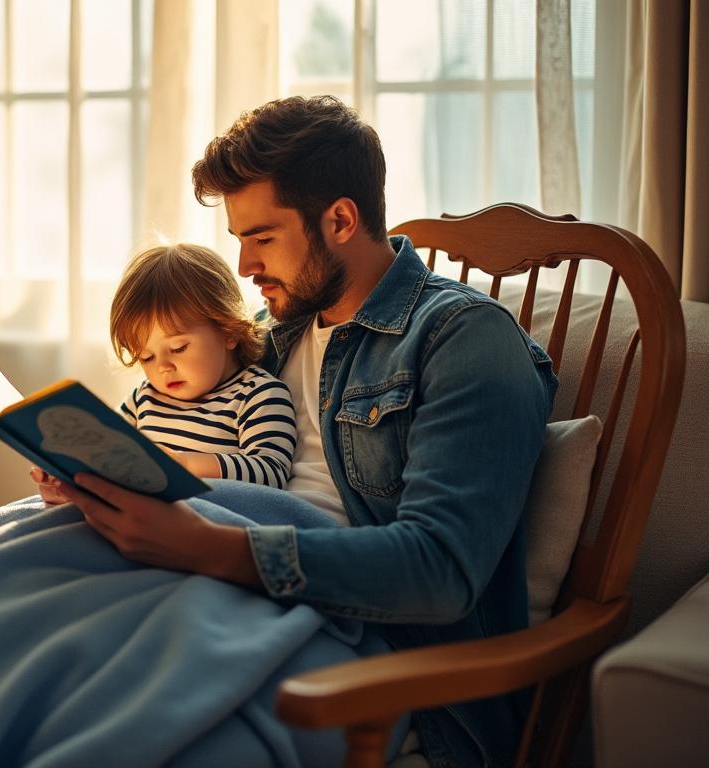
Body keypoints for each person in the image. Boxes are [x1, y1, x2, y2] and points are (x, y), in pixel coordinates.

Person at [45, 95, 558, 767]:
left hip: (373, 653)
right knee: (13, 595)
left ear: (340, 219)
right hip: (218, 593)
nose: (243, 266)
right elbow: (177, 431)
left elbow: (439, 572)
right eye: (238, 240)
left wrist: (206, 546)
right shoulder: (264, 339)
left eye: (261, 239)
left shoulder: (464, 339)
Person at [34, 242, 299, 505]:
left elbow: (271, 475)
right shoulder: (143, 399)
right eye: (146, 357)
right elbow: (104, 460)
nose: (162, 367)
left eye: (178, 348)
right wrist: (68, 484)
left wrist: (185, 465)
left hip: (202, 520)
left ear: (228, 331)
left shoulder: (258, 395)